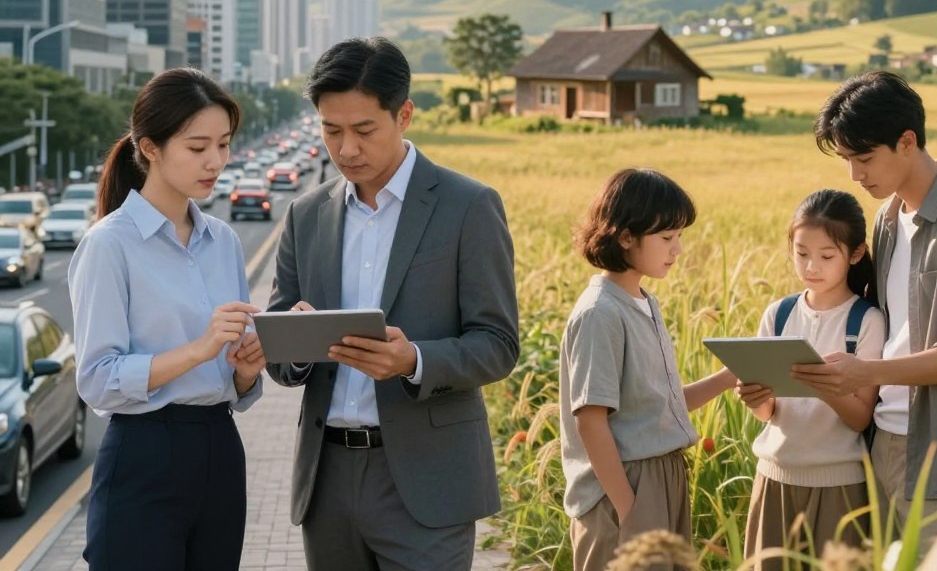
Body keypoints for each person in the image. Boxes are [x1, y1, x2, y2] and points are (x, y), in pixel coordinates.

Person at [265, 37, 519, 571]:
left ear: (404, 114)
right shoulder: (306, 214)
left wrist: (414, 361)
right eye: (331, 131)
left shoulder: (468, 206)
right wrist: (295, 343)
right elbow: (280, 354)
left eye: (363, 130)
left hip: (429, 484)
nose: (346, 149)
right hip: (326, 479)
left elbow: (497, 344)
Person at [793, 71, 937, 549]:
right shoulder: (888, 218)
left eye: (865, 157)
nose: (855, 175)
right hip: (884, 443)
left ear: (908, 141)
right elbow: (882, 323)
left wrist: (865, 372)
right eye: (848, 159)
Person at [69, 67, 265, 571]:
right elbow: (97, 380)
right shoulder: (108, 245)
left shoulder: (222, 240)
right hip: (143, 453)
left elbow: (232, 380)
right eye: (197, 147)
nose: (216, 161)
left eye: (223, 144)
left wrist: (244, 370)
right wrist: (199, 349)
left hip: (220, 451)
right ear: (150, 147)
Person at [559, 168, 735, 571]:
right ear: (625, 237)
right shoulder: (600, 313)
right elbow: (591, 422)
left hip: (662, 479)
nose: (677, 250)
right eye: (666, 238)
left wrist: (727, 379)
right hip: (624, 485)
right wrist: (630, 509)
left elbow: (656, 407)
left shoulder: (643, 302)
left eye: (679, 237)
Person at [738, 189, 885, 569]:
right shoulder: (779, 315)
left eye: (825, 256)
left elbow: (860, 419)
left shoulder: (866, 322)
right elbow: (769, 412)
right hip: (774, 477)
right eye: (801, 254)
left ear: (854, 254)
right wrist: (756, 399)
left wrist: (826, 385)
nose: (811, 267)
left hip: (839, 486)